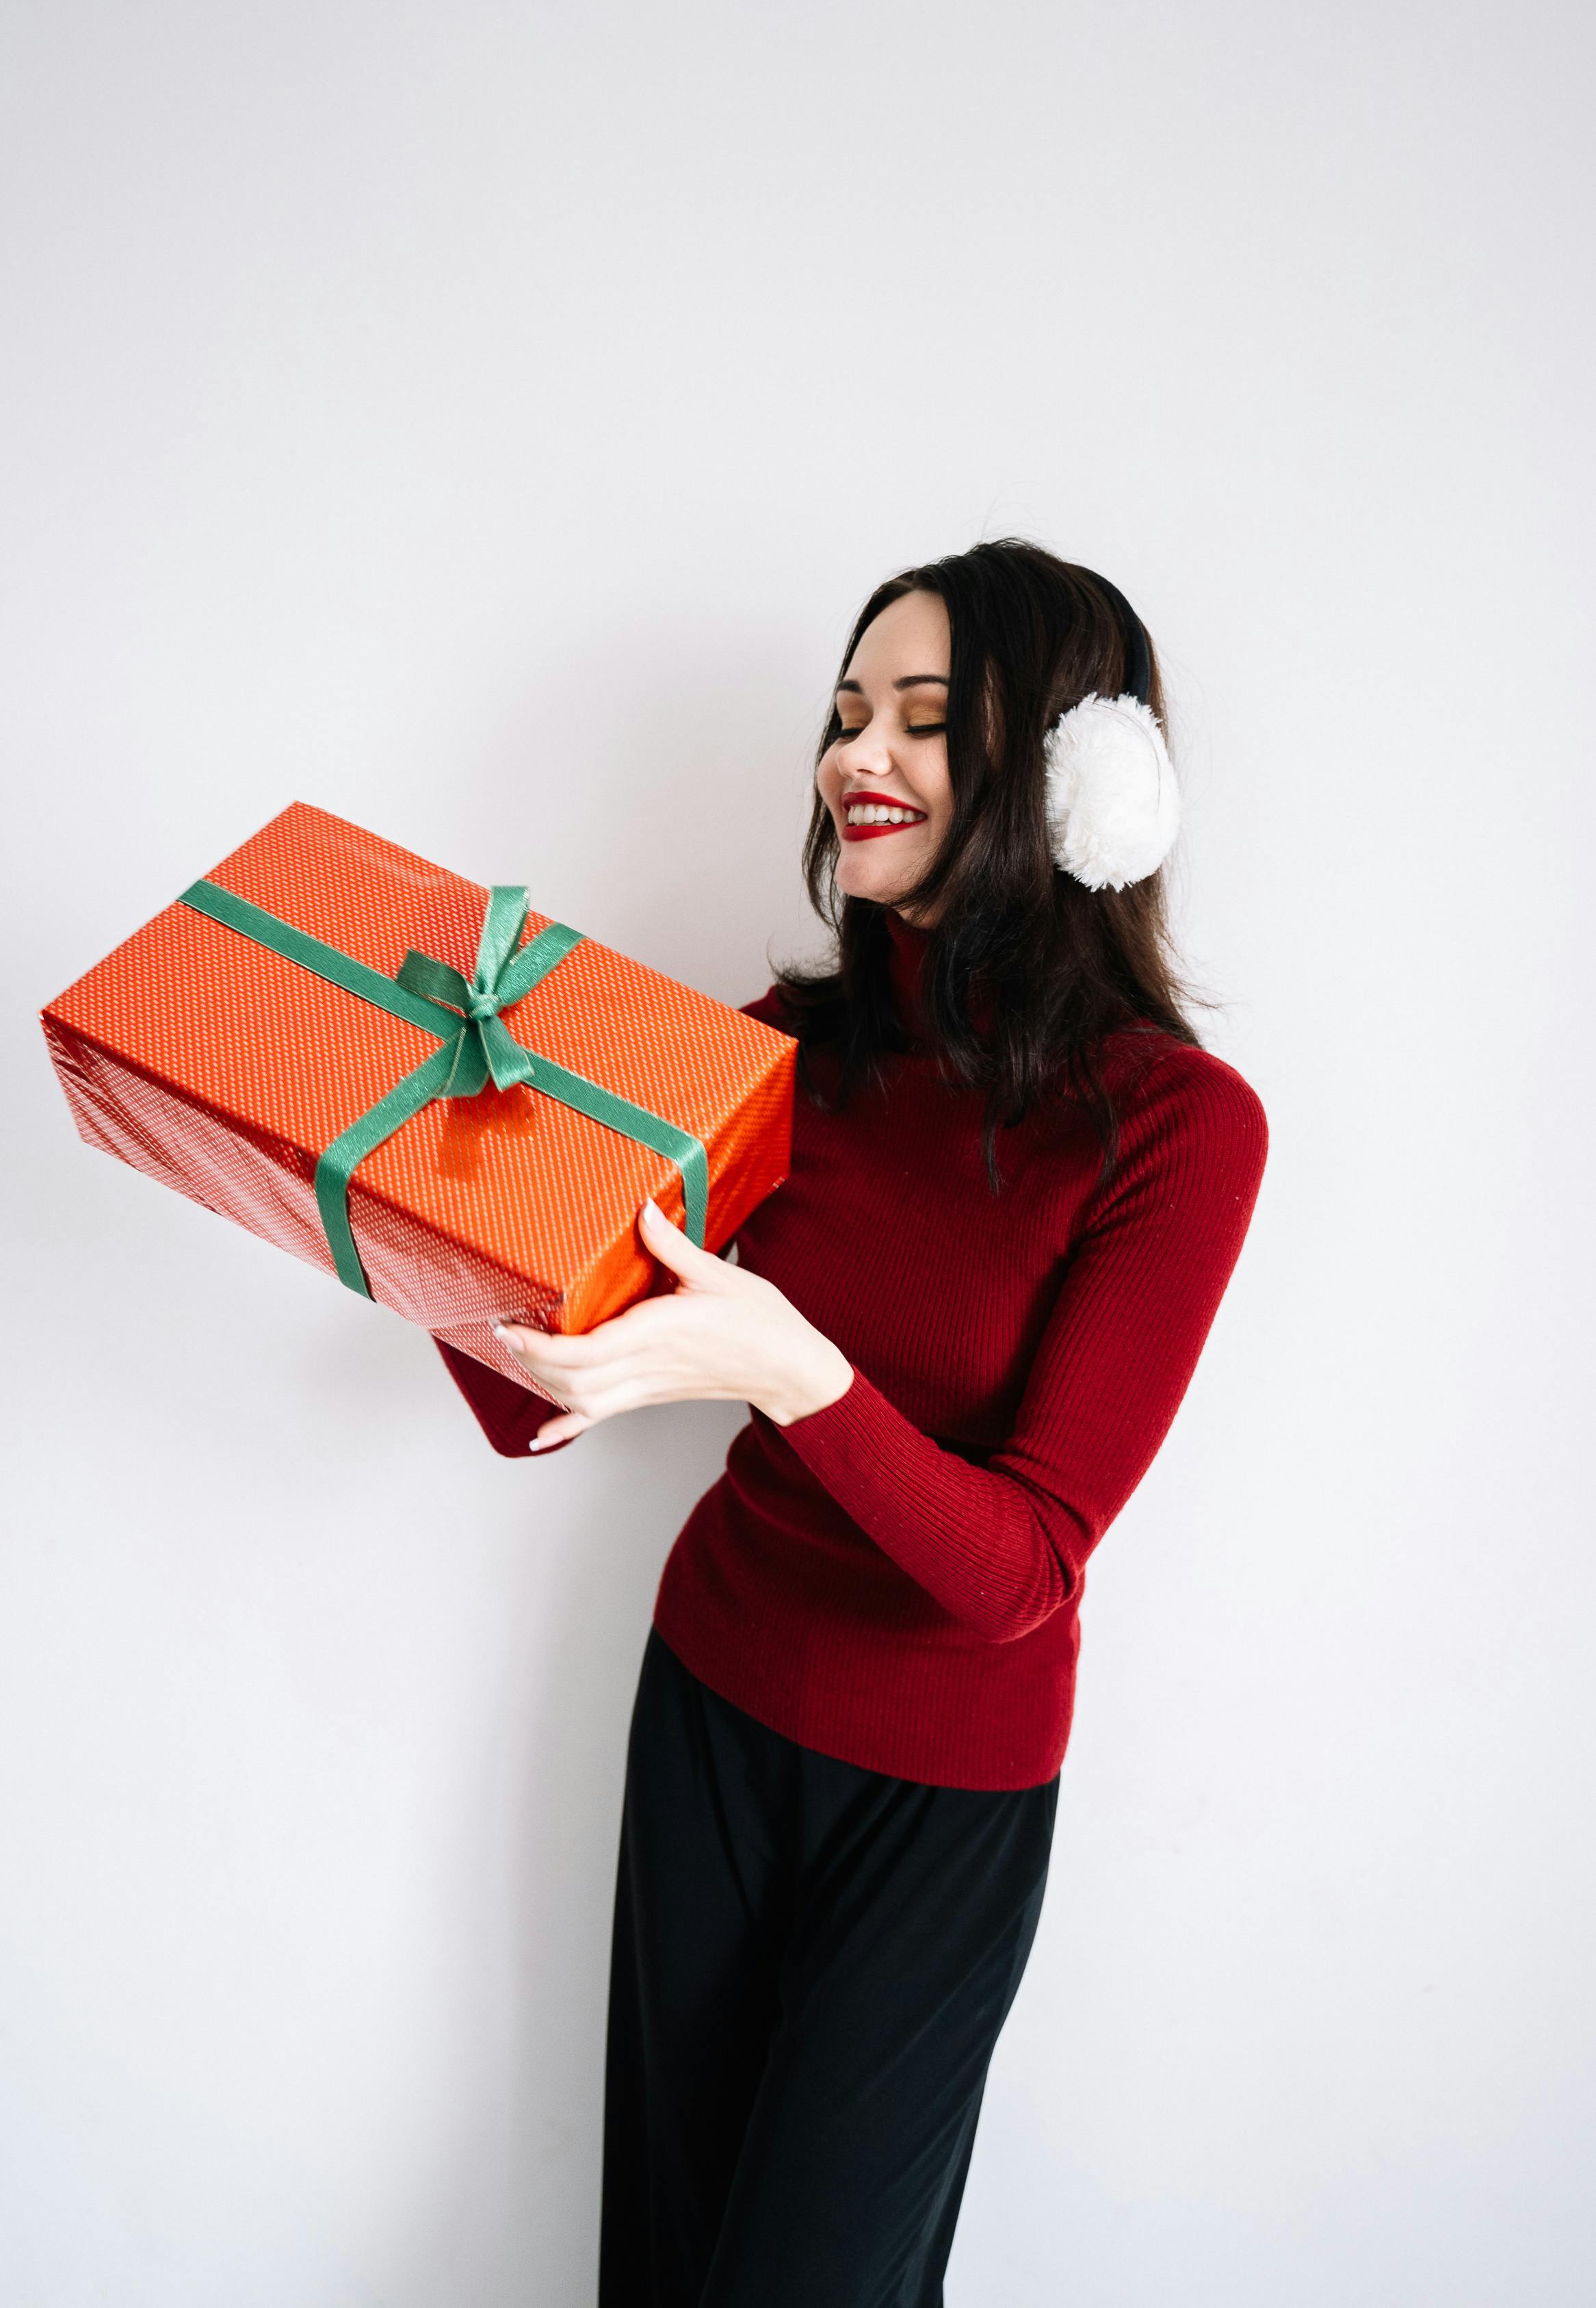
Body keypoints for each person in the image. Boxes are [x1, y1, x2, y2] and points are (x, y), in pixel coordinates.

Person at [436, 540, 1269, 2307]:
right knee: (662, 2263)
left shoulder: (1179, 1126)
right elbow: (527, 1411)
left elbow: (1021, 1570)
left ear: (1068, 774)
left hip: (944, 1801)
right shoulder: (765, 1061)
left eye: (921, 717)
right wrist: (431, 1185)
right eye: (842, 713)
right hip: (712, 1711)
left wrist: (787, 1360)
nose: (852, 757)